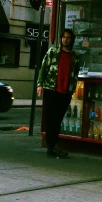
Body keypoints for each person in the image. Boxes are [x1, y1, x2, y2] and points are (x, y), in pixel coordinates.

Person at [37, 29, 81, 159]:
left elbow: (75, 74)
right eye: (63, 37)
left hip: (65, 92)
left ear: (72, 40)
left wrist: (72, 90)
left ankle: (53, 145)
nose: (65, 40)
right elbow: (44, 67)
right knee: (51, 119)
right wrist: (40, 84)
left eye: (68, 38)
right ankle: (51, 146)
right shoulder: (53, 52)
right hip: (51, 89)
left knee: (58, 119)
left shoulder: (75, 56)